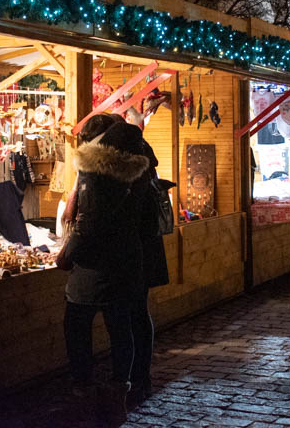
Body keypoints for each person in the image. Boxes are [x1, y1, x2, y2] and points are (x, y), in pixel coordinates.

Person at [57, 121, 150, 422]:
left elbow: (88, 224)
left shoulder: (96, 170)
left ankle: (83, 392)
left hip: (92, 268)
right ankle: (116, 397)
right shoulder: (139, 171)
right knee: (121, 328)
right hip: (126, 262)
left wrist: (66, 255)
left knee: (77, 327)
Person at [127, 135, 170, 405]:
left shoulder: (133, 178)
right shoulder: (147, 170)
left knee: (133, 318)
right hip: (146, 253)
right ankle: (139, 377)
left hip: (135, 255)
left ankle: (134, 379)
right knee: (139, 315)